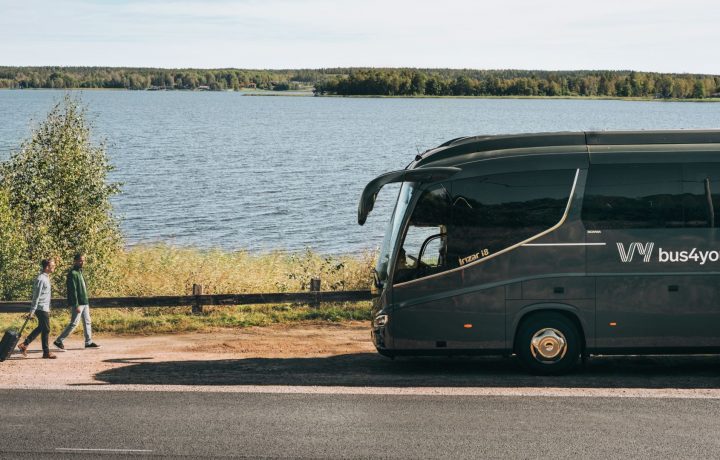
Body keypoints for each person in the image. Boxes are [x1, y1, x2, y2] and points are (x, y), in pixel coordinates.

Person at [54, 253, 100, 349]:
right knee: (74, 323)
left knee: (87, 321)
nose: (82, 262)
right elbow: (72, 290)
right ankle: (59, 341)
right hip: (78, 304)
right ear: (75, 261)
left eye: (83, 260)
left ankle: (88, 342)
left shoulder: (80, 272)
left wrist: (85, 301)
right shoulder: (72, 273)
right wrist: (76, 305)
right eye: (80, 260)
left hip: (85, 302)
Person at [18, 258, 57, 359]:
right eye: (53, 265)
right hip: (40, 308)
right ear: (47, 267)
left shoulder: (46, 278)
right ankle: (46, 352)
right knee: (46, 329)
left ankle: (24, 344)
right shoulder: (41, 279)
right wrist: (32, 310)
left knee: (42, 327)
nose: (54, 267)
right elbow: (36, 296)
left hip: (44, 307)